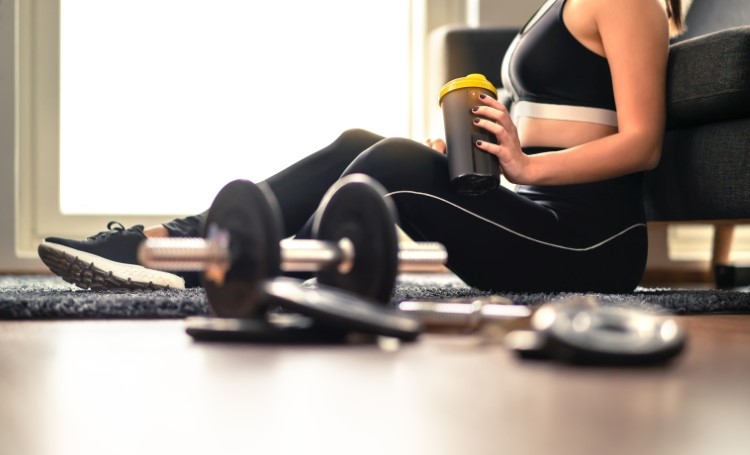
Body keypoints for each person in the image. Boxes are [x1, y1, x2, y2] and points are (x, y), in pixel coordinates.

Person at [38, 0, 684, 294]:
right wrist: (489, 154)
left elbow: (643, 143)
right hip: (534, 209)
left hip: (590, 243)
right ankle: (179, 238)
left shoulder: (631, 2)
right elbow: (562, 114)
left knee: (393, 165)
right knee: (362, 143)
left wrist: (523, 163)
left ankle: (249, 270)